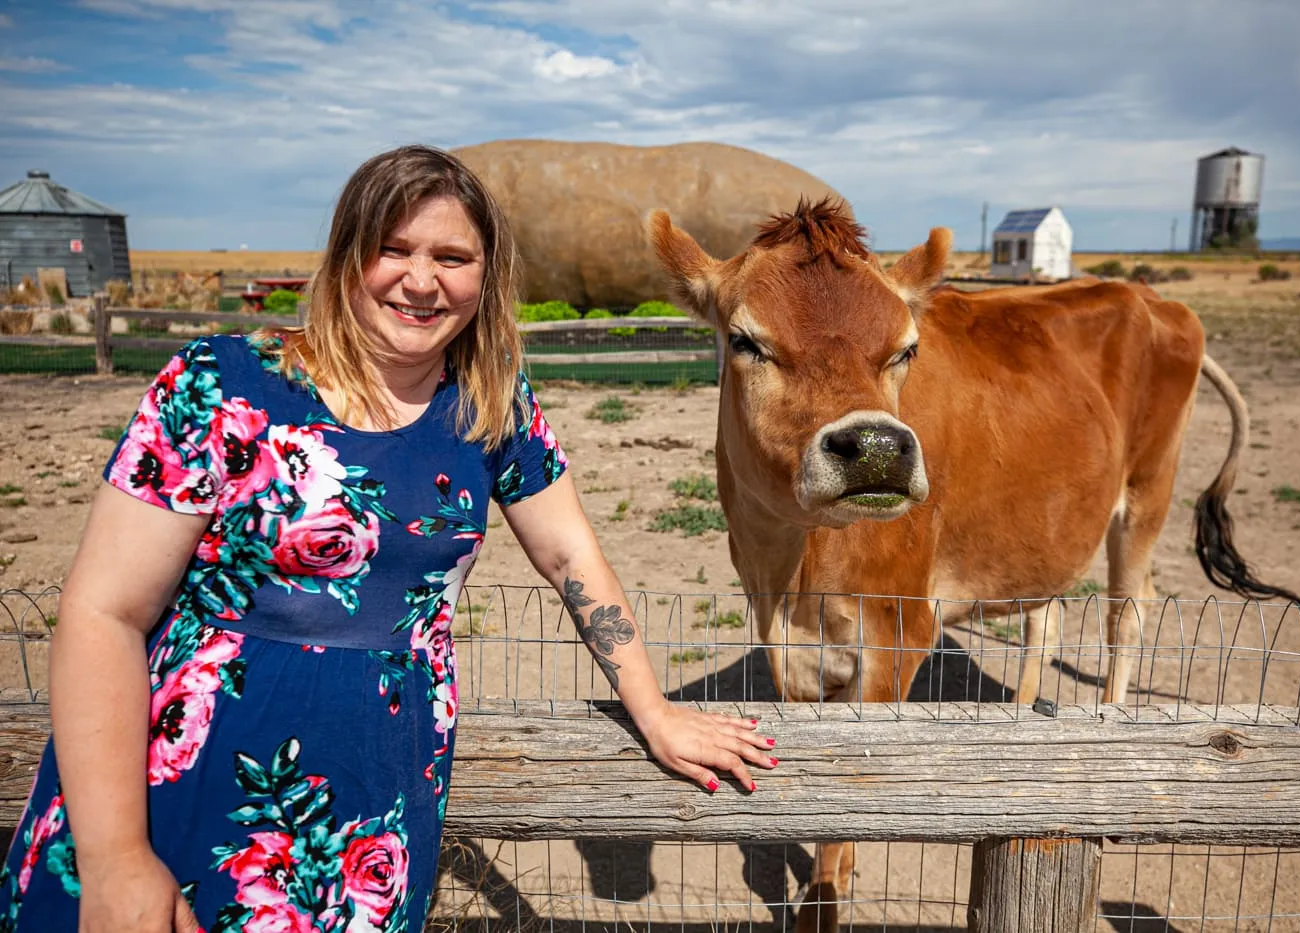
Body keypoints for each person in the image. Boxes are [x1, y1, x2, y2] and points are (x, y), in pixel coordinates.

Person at [0, 144, 778, 932]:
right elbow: (104, 613)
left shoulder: (492, 402)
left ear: (487, 274)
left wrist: (654, 708)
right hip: (177, 784)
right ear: (348, 255)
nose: (421, 279)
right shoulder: (220, 383)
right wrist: (115, 856)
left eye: (452, 256)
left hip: (373, 803)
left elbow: (570, 553)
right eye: (394, 248)